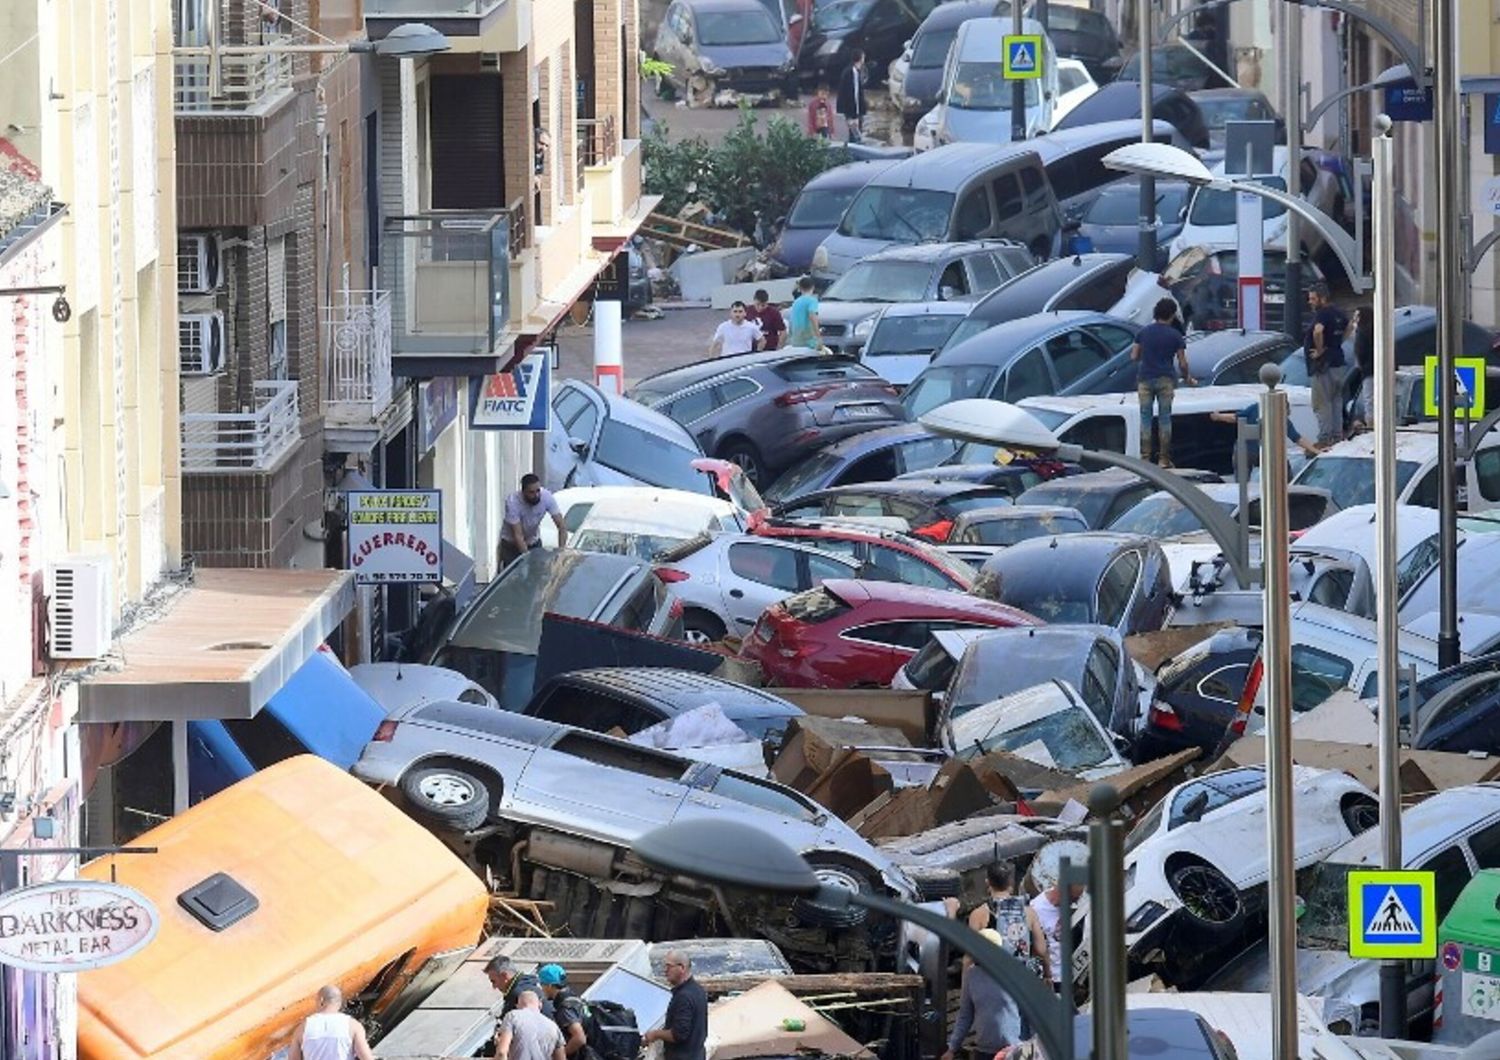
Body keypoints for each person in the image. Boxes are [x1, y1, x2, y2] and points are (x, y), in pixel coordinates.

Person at [1131, 297, 1197, 468]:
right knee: (1165, 419)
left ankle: (1145, 458)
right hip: (1166, 379)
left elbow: (1134, 356)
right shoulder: (1176, 336)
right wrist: (1188, 377)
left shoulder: (1143, 332)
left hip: (1145, 378)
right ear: (1172, 315)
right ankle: (1163, 459)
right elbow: (1183, 363)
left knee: (1145, 418)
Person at [941, 929, 1023, 1060]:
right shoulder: (972, 975)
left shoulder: (1013, 973)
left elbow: (1030, 1012)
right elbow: (965, 1015)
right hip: (983, 1052)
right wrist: (952, 1049)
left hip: (1010, 1051)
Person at [967, 862, 1048, 977]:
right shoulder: (1029, 912)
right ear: (1011, 883)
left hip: (995, 980)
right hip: (1022, 979)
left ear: (987, 882)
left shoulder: (978, 915)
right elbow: (1041, 950)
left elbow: (970, 957)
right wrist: (1048, 975)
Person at [1210, 400, 1321, 481]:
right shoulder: (1261, 410)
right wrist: (1219, 417)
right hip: (1248, 451)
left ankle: (1287, 488)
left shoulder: (1280, 418)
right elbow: (1236, 417)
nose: (1286, 415)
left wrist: (1316, 451)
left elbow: (1297, 438)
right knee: (1242, 480)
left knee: (1282, 467)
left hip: (1258, 451)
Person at [1304, 282, 1350, 444]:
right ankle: (1337, 437)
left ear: (1322, 298)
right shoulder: (1339, 313)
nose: (1310, 302)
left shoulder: (1322, 314)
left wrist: (1320, 349)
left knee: (1322, 403)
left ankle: (1324, 438)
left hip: (1323, 366)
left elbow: (1318, 331)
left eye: (1313, 298)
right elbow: (1350, 327)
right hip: (1339, 362)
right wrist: (1336, 344)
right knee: (1336, 401)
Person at [643, 950, 707, 1060]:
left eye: (669, 966)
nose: (665, 971)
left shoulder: (684, 997)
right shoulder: (698, 990)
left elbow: (679, 1034)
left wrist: (655, 1034)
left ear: (682, 968)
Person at [288, 985, 376, 1060]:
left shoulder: (302, 1028)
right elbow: (366, 1057)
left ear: (321, 1001)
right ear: (340, 1003)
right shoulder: (353, 1026)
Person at [501, 474, 566, 569]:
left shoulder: (546, 497)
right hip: (511, 545)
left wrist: (561, 552)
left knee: (537, 574)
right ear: (523, 492)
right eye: (531, 492)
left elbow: (561, 526)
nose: (536, 495)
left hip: (533, 541)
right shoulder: (513, 502)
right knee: (514, 577)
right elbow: (518, 535)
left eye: (538, 491)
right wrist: (528, 558)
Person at [1029, 879, 1085, 990]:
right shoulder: (1036, 910)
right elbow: (1037, 950)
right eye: (1073, 899)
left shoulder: (1069, 907)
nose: (1075, 903)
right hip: (1050, 979)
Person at [495, 990, 568, 1060]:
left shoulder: (512, 1016)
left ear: (517, 1005)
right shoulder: (553, 1026)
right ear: (540, 1004)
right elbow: (561, 1057)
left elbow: (501, 1053)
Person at [537, 964, 590, 1058]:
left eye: (542, 984)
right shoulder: (576, 999)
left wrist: (560, 1055)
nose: (541, 988)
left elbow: (579, 1038)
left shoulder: (565, 1008)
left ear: (549, 986)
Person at [485, 954, 552, 1018]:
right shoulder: (529, 982)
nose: (494, 987)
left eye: (494, 981)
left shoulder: (517, 995)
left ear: (504, 976)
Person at [1349, 305, 1375, 430]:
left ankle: (1371, 426)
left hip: (1368, 371)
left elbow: (1361, 352)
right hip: (1377, 370)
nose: (1354, 320)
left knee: (1369, 399)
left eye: (1356, 316)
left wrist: (1360, 365)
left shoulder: (1361, 333)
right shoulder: (1375, 330)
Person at [786, 275, 826, 351]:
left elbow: (791, 321)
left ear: (800, 289)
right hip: (809, 340)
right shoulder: (812, 301)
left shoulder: (796, 302)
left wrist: (790, 337)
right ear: (813, 287)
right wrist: (818, 337)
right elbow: (812, 316)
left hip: (796, 340)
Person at [836, 50, 866, 143]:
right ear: (860, 59)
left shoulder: (852, 71)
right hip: (852, 110)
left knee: (855, 134)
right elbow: (853, 94)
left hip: (852, 110)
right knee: (856, 135)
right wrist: (854, 114)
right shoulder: (852, 72)